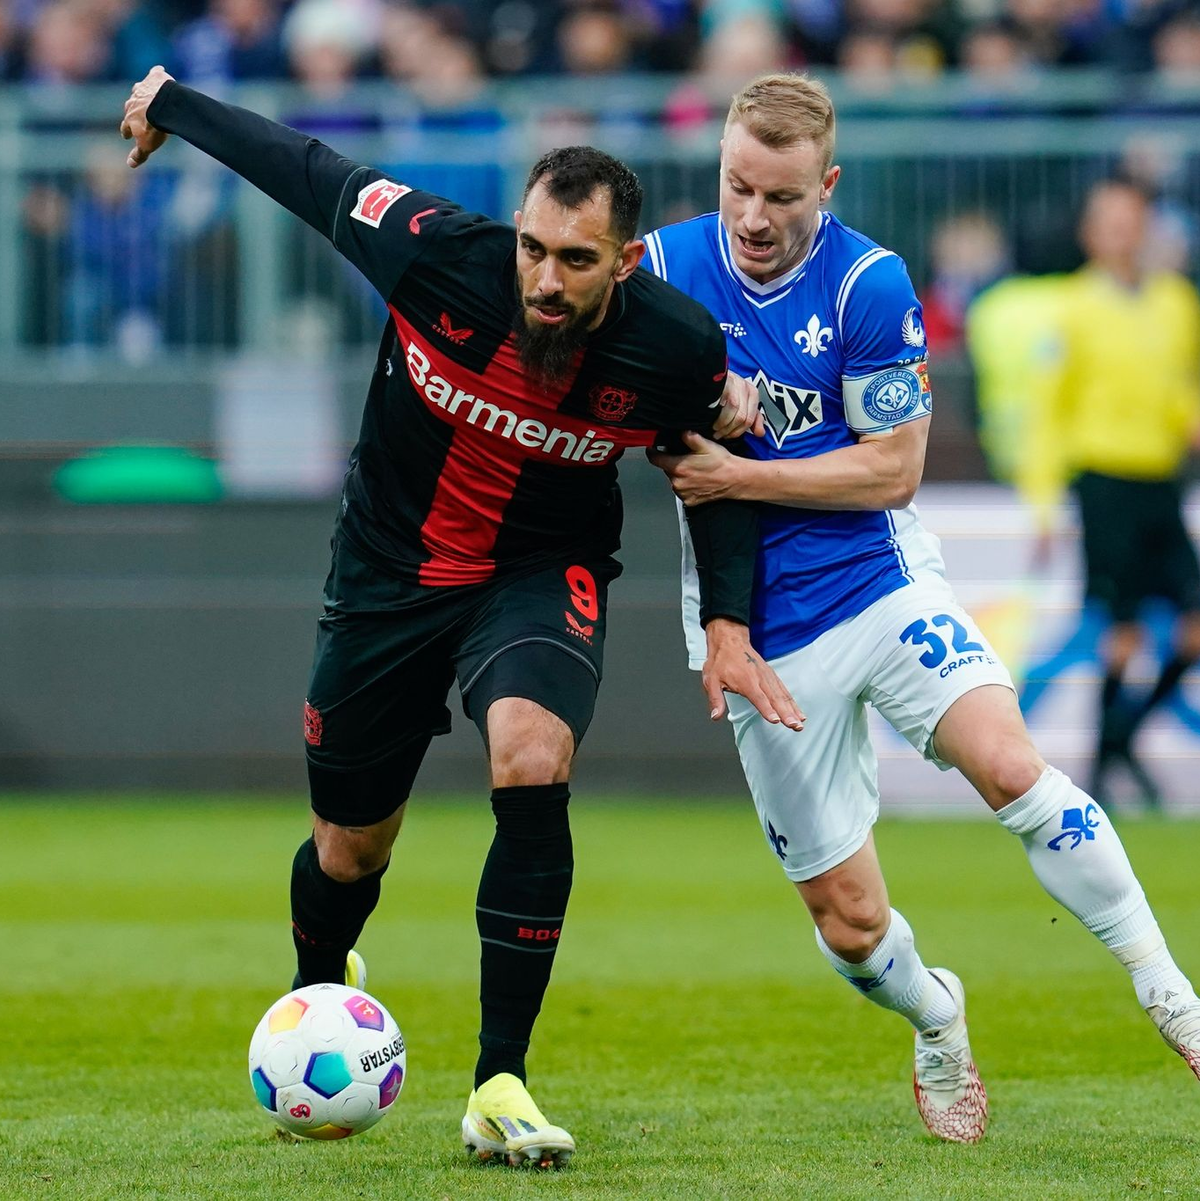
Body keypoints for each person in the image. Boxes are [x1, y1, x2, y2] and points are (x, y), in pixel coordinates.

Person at [119, 65, 803, 1168]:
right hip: (388, 572)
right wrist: (174, 103)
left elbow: (707, 472)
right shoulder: (439, 252)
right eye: (534, 247)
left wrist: (730, 622)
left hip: (539, 572)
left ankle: (501, 1080)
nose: (543, 276)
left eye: (575, 261)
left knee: (531, 757)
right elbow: (307, 171)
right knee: (350, 849)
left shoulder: (674, 346)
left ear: (623, 263)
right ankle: (315, 998)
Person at [644, 72, 1200, 1145]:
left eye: (783, 197)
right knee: (850, 926)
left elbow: (890, 472)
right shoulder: (663, 268)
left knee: (1009, 764)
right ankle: (938, 1017)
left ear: (828, 185)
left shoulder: (869, 284)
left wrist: (738, 475)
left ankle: (1168, 988)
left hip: (880, 583)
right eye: (737, 190)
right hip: (759, 631)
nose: (755, 219)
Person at [1018, 178, 1200, 809]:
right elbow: (1046, 410)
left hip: (1160, 481)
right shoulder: (1071, 310)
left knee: (1192, 623)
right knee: (1120, 631)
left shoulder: (1175, 302)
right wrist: (1043, 502)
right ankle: (1106, 765)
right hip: (1103, 480)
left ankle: (1118, 742)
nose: (1123, 231)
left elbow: (1181, 388)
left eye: (1132, 219)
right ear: (1091, 233)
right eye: (1111, 220)